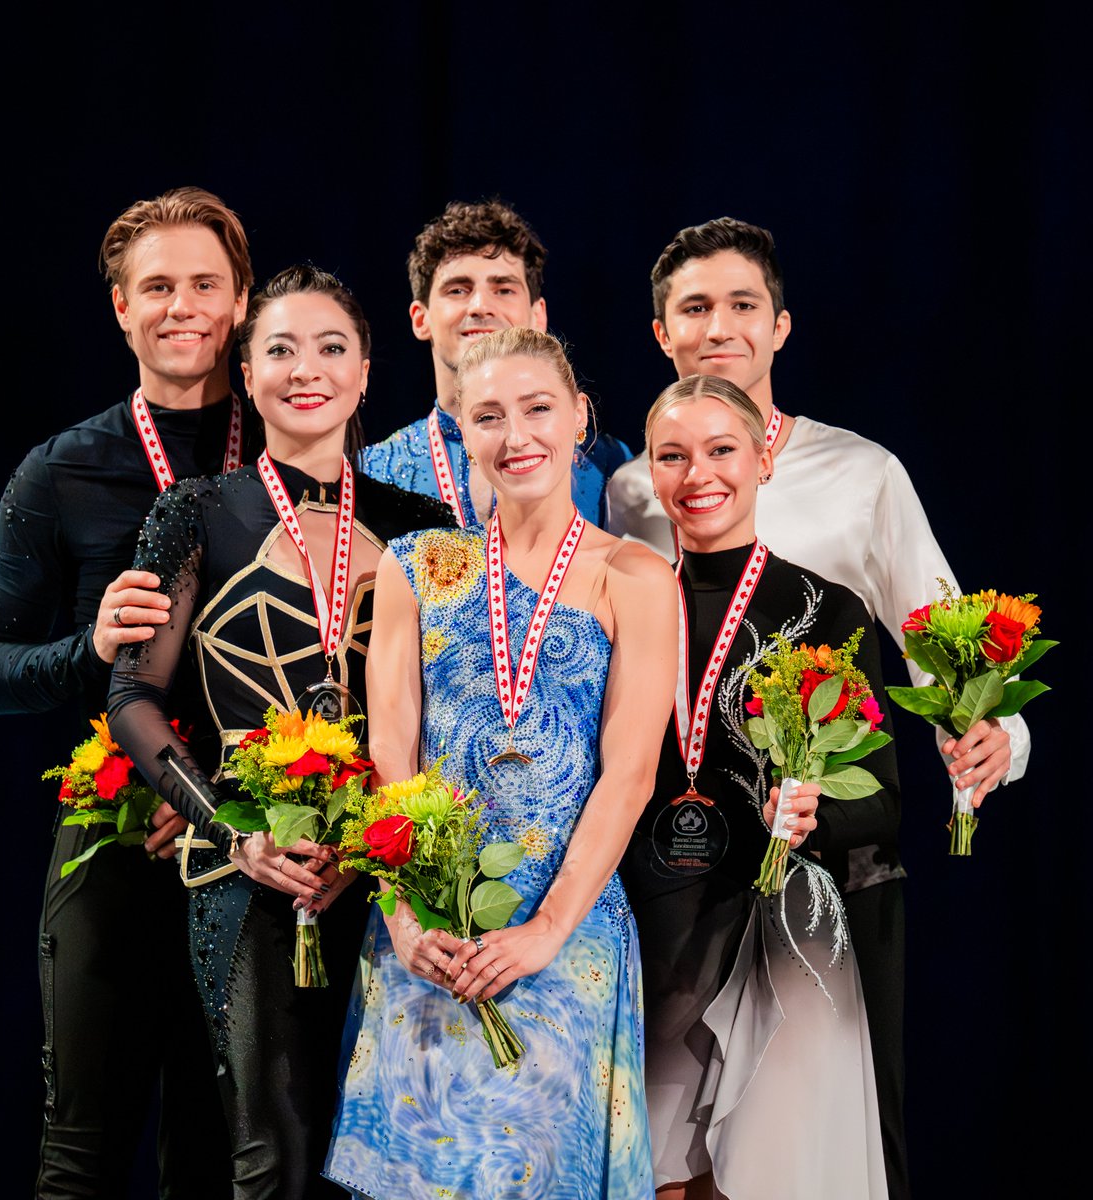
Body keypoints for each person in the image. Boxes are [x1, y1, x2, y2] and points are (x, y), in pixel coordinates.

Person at [605, 217, 1030, 1198]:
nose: (719, 326)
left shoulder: (860, 474)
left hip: (831, 868)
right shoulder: (631, 490)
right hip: (676, 874)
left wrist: (998, 732)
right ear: (661, 332)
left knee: (836, 1142)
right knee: (669, 1152)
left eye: (742, 304)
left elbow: (942, 633)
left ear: (781, 326)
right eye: (694, 308)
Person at [106, 264, 454, 1199]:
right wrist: (234, 832)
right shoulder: (197, 511)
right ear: (247, 373)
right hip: (249, 872)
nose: (308, 369)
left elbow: (448, 706)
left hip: (386, 878)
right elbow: (132, 696)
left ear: (367, 371)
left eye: (332, 348)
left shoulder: (423, 525)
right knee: (276, 1158)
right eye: (281, 350)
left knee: (387, 1161)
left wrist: (386, 845)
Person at [323, 327, 678, 1199]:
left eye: (537, 409)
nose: (516, 435)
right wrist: (404, 919)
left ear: (579, 417)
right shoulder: (413, 566)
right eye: (487, 416)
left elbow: (630, 774)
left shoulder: (636, 574)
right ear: (460, 427)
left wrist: (546, 930)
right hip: (431, 939)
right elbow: (390, 758)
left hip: (566, 934)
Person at [0, 185, 254, 1198]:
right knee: (82, 1158)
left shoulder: (296, 454)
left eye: (205, 284)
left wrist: (230, 794)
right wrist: (88, 651)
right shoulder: (60, 471)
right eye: (157, 286)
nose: (183, 306)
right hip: (119, 837)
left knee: (219, 1163)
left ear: (241, 302)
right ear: (122, 307)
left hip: (250, 839)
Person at [621, 373, 894, 1199]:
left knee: (768, 1178)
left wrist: (813, 813)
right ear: (649, 473)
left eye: (721, 450)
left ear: (763, 459)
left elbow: (881, 799)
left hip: (777, 927)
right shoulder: (621, 601)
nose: (697, 474)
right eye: (672, 455)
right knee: (662, 1180)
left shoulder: (829, 610)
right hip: (650, 926)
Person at [362, 198, 632, 527]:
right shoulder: (371, 472)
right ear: (421, 319)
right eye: (458, 290)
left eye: (503, 289)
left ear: (538, 315)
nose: (480, 306)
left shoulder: (611, 463)